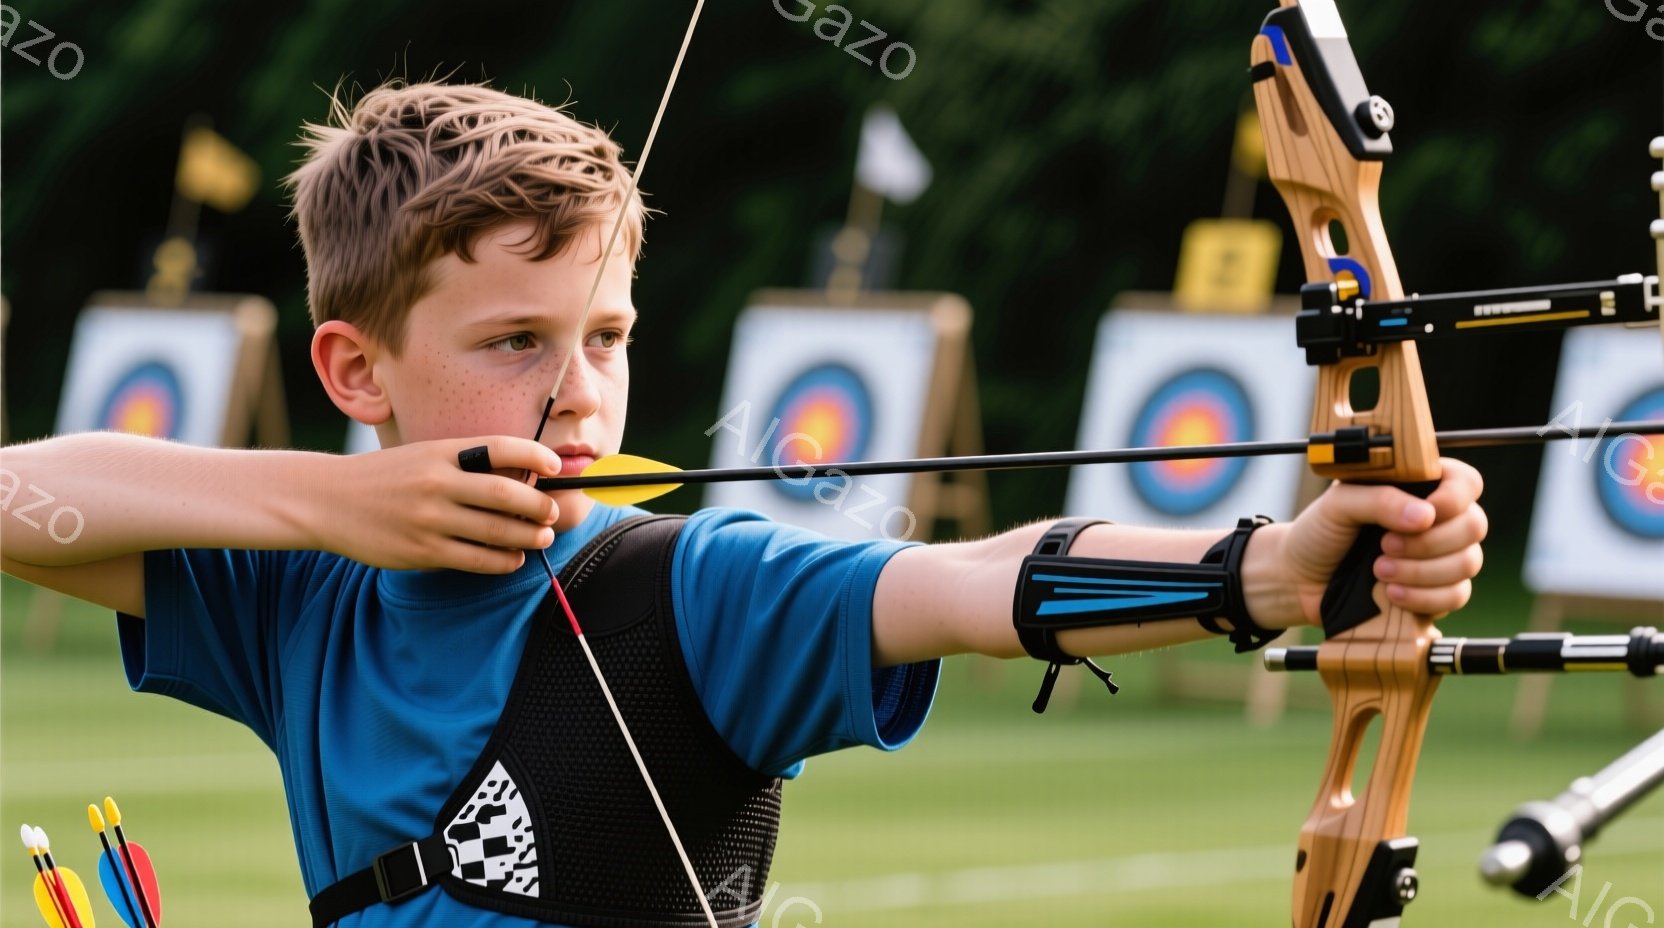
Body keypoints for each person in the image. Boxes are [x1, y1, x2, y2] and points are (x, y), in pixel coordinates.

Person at [0, 81, 1487, 928]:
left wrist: (1273, 572)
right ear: (353, 365)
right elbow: (22, 498)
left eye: (608, 338)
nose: (577, 390)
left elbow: (972, 584)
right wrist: (339, 506)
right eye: (515, 343)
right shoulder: (300, 602)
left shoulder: (694, 590)